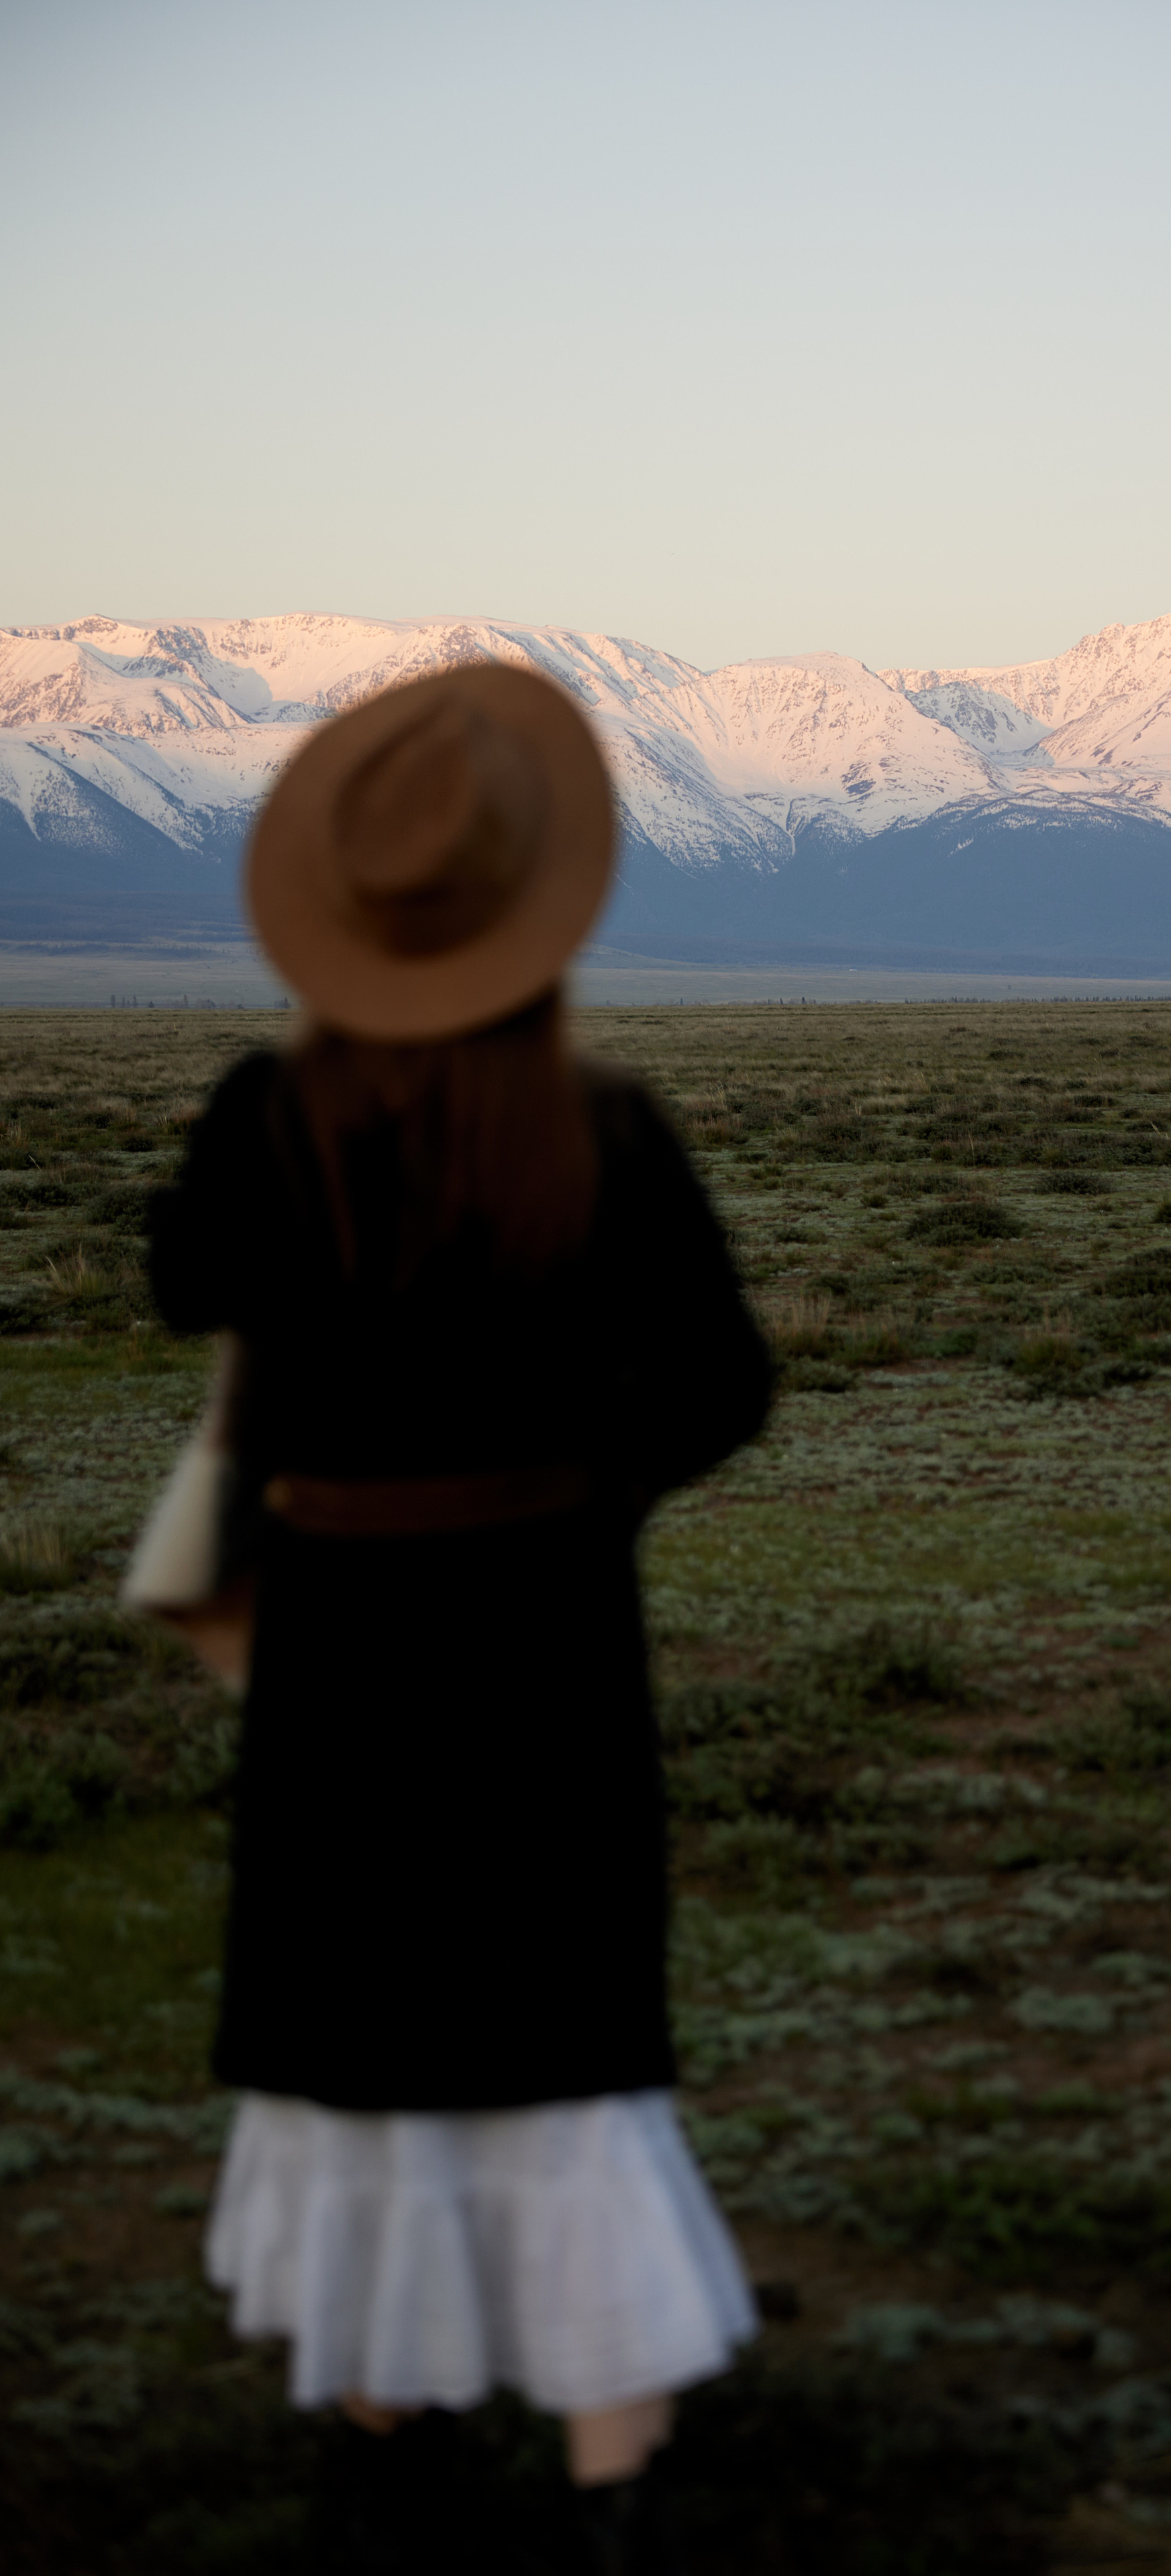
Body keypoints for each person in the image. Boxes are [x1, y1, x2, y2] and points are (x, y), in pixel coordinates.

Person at [146, 664, 773, 2573]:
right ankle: (615, 2470)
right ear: (533, 916)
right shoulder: (607, 1127)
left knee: (366, 2035)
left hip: (340, 1646)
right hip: (545, 1647)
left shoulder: (271, 1117)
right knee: (557, 2033)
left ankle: (379, 2428)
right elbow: (726, 1389)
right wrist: (577, 1496)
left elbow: (182, 1287)